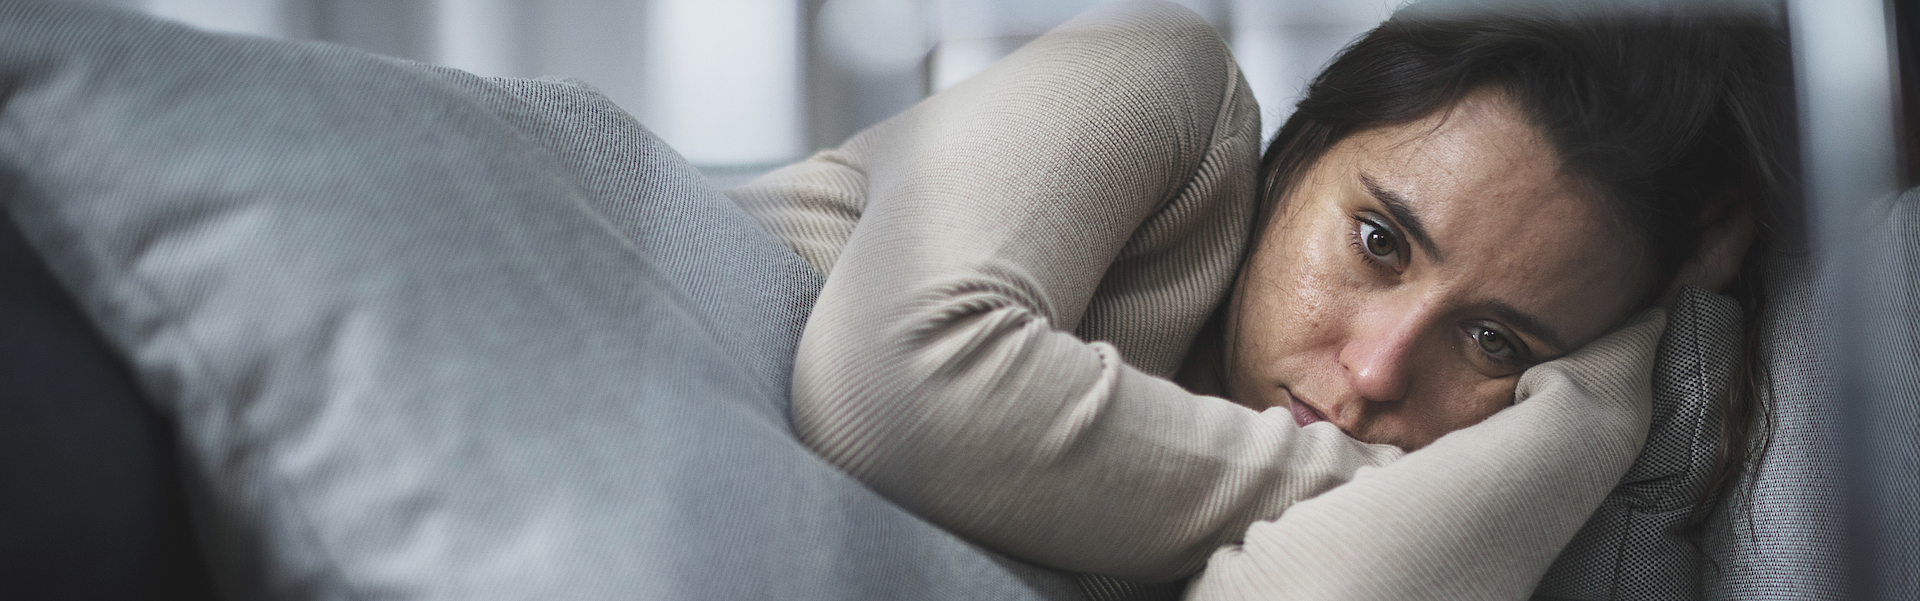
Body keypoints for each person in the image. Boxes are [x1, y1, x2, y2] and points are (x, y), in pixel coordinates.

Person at [730, 0, 1790, 598]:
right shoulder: (1157, 76)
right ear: (1301, 152)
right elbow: (893, 395)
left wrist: (1599, 403)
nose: (1376, 371)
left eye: (1496, 343)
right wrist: (1371, 476)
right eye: (1379, 241)